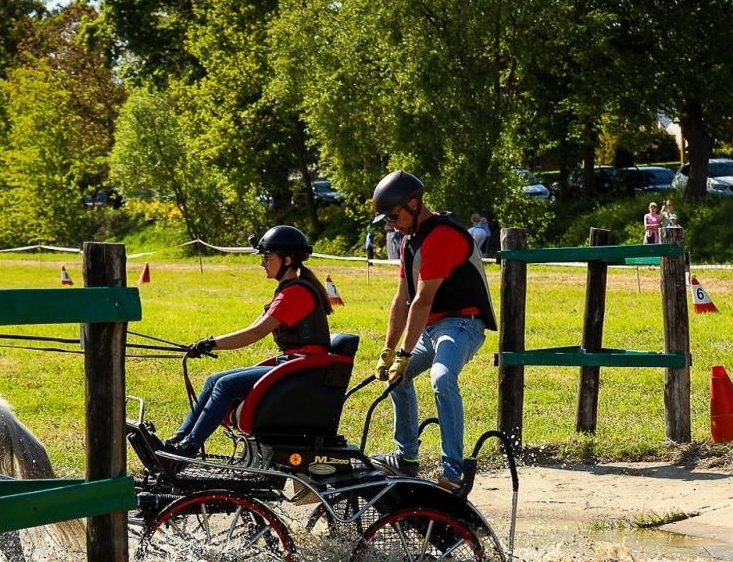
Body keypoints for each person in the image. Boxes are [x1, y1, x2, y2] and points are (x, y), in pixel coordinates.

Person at [369, 169, 495, 491]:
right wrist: (388, 352)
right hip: (431, 327)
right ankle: (406, 457)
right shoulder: (409, 242)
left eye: (393, 216)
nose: (391, 224)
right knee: (400, 377)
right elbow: (401, 300)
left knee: (441, 377)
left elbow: (422, 301)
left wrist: (405, 353)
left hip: (463, 322)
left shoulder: (441, 236)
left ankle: (454, 471)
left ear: (413, 204)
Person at [162, 225, 333, 456]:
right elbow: (251, 328)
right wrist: (208, 342)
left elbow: (255, 334)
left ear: (288, 259)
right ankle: (177, 439)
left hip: (301, 371)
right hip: (294, 366)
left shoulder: (295, 293)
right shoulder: (287, 291)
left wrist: (212, 343)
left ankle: (189, 447)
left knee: (225, 385)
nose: (262, 262)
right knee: (214, 379)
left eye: (267, 257)